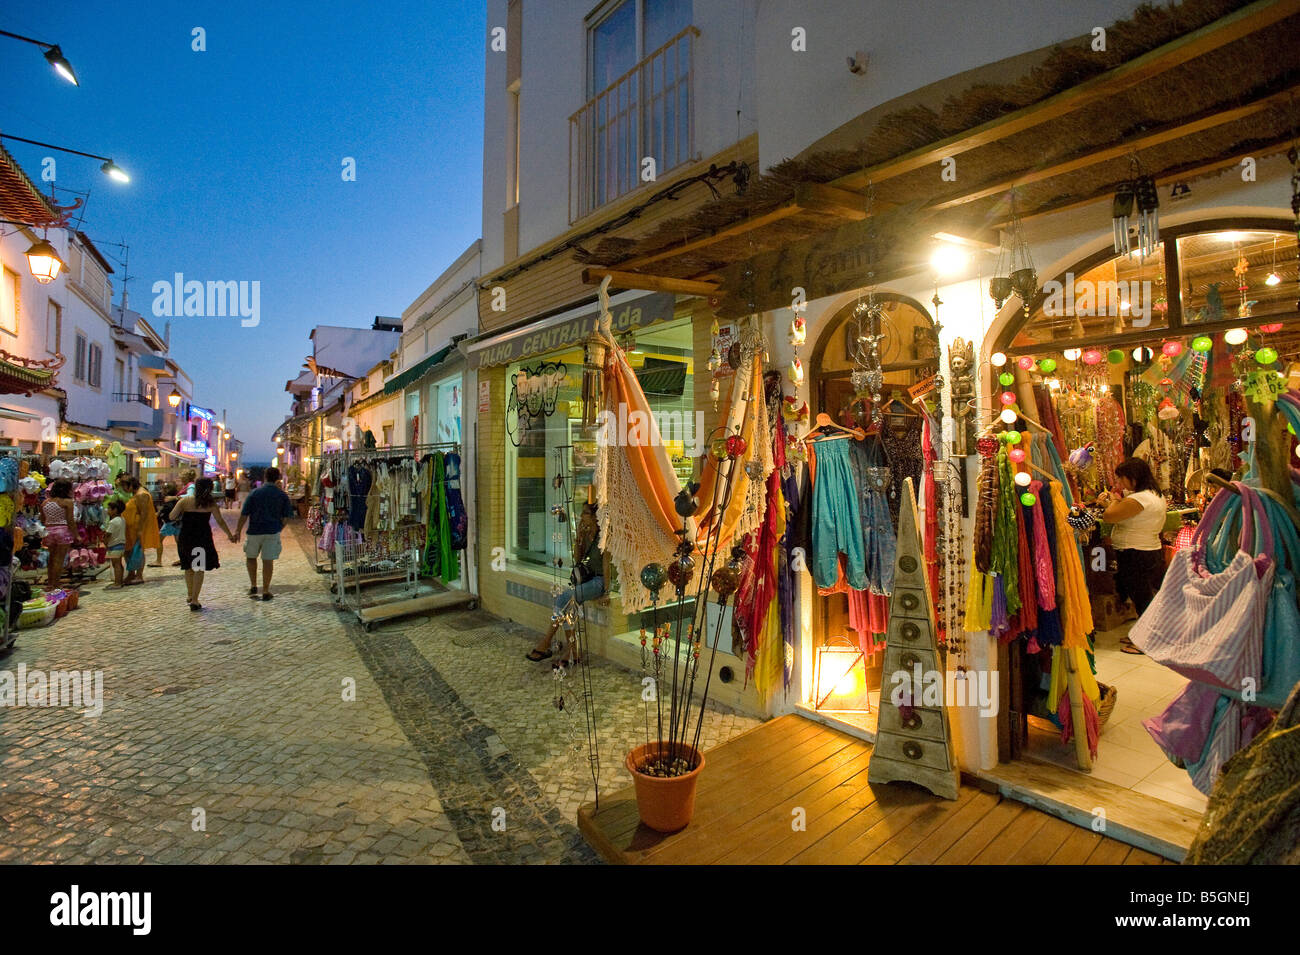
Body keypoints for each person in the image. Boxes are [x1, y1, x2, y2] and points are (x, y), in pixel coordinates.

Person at [1097, 458, 1167, 653]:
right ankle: (1143, 636)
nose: (1119, 484)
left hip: (1136, 552)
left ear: (1133, 478)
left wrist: (1113, 501)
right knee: (1143, 595)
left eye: (1121, 479)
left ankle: (1146, 643)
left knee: (1142, 597)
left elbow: (1109, 516)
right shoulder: (1154, 495)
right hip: (1146, 550)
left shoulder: (1140, 499)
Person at [527, 499, 604, 667]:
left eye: (586, 513)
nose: (582, 516)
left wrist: (606, 591)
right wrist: (579, 540)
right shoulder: (587, 535)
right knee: (569, 606)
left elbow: (606, 564)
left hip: (599, 581)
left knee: (563, 599)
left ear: (596, 517)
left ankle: (547, 642)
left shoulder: (604, 537)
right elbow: (578, 561)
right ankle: (572, 650)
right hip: (586, 579)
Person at [170, 477, 236, 611]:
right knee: (198, 568)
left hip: (186, 537)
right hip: (201, 538)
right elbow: (220, 521)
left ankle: (189, 595)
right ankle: (195, 599)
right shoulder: (210, 504)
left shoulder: (185, 501)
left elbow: (172, 516)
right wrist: (229, 535)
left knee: (188, 567)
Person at [233, 466, 295, 600]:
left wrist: (238, 530)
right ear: (278, 478)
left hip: (254, 530)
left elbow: (244, 514)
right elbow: (287, 516)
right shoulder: (282, 495)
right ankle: (266, 590)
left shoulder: (255, 493)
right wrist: (279, 527)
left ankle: (253, 585)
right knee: (268, 561)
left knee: (251, 557)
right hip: (272, 531)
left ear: (265, 477)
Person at [121, 475, 160, 585]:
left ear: (131, 485)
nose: (124, 489)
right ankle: (131, 573)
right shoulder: (138, 493)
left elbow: (144, 513)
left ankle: (138, 575)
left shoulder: (141, 494)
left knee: (137, 551)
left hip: (137, 527)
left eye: (125, 486)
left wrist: (140, 529)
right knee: (129, 550)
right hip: (132, 528)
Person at [42, 479, 78, 588]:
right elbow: (70, 521)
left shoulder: (45, 502)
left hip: (48, 531)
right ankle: (56, 584)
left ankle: (50, 584)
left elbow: (42, 519)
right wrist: (77, 535)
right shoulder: (67, 502)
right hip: (62, 532)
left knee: (51, 559)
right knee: (59, 559)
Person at [103, 498, 127, 589]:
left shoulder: (113, 522)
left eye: (109, 508)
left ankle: (117, 583)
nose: (107, 510)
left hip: (114, 545)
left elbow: (108, 534)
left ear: (115, 510)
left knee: (115, 564)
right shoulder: (122, 519)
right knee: (119, 564)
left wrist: (105, 542)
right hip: (121, 544)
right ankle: (120, 581)